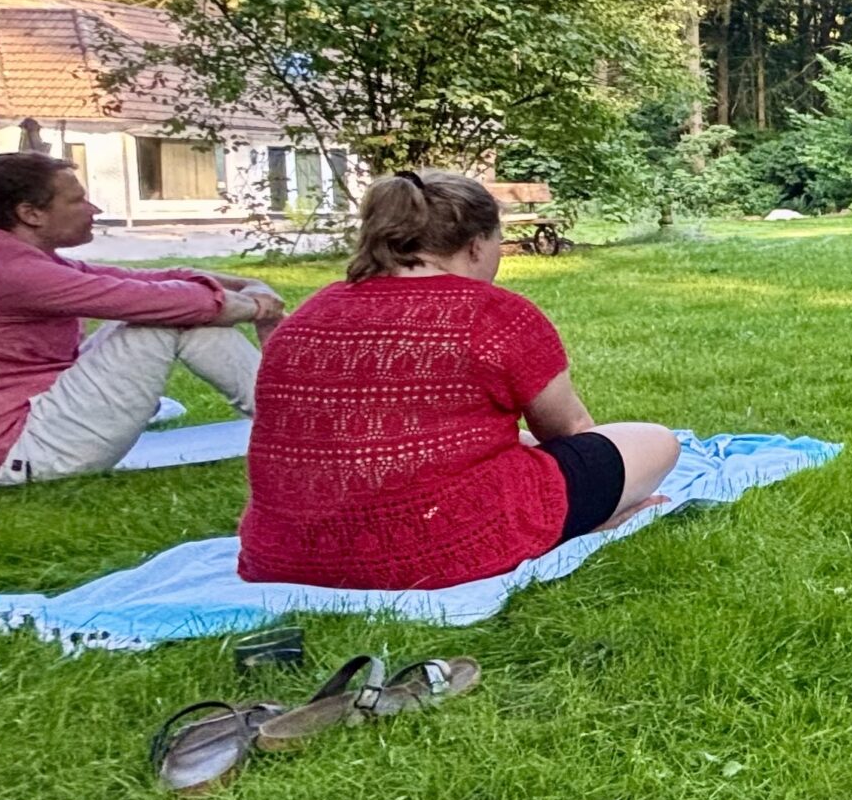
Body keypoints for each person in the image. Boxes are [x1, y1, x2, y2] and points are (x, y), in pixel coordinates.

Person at [237, 170, 679, 588]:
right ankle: (584, 524)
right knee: (656, 441)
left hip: (286, 555)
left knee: (513, 443)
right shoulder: (492, 314)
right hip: (443, 546)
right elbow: (570, 431)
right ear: (475, 246)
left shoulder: (308, 316)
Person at [0, 151, 279, 488]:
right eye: (77, 199)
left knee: (171, 308)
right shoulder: (7, 273)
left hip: (29, 431)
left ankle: (299, 420)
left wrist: (246, 284)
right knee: (166, 317)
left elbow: (142, 280)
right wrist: (256, 308)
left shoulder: (6, 261)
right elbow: (152, 300)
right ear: (30, 214)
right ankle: (300, 423)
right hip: (20, 457)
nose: (94, 209)